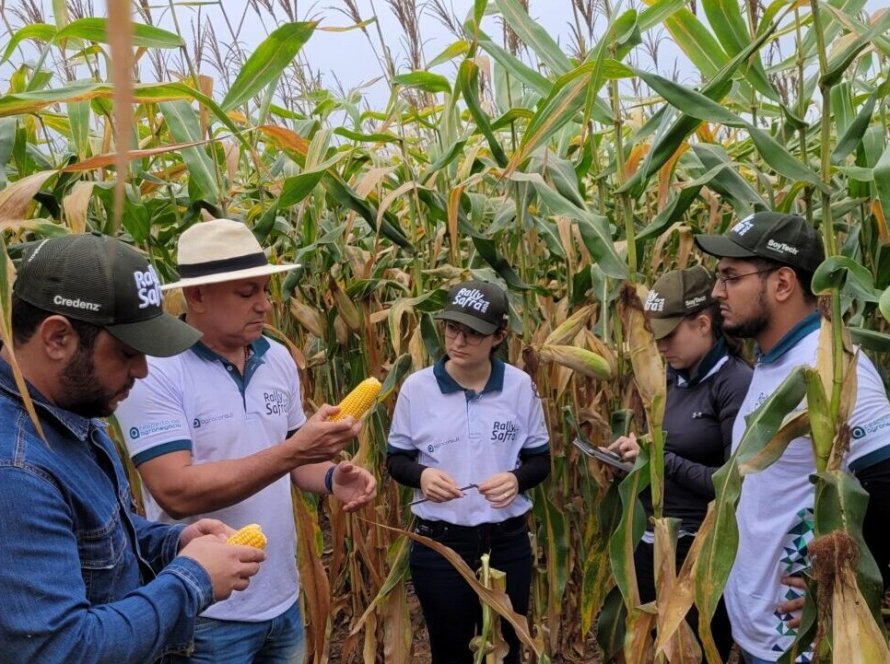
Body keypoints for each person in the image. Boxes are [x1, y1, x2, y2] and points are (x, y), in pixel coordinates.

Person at [114, 219, 377, 664]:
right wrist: (296, 451)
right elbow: (175, 492)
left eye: (264, 291)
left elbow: (293, 459)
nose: (264, 306)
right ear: (196, 296)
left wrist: (332, 476)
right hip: (206, 612)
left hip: (281, 599)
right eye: (246, 293)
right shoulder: (156, 370)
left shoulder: (275, 358)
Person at [0, 232, 265, 663]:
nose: (142, 371)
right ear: (57, 338)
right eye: (126, 353)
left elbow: (91, 536)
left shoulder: (69, 413)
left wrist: (172, 542)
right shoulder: (16, 472)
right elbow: (61, 650)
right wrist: (192, 580)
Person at [694, 211, 890, 663]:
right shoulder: (772, 362)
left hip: (799, 644)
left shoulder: (832, 368)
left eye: (730, 277)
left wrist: (844, 584)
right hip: (759, 632)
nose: (716, 292)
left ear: (782, 284)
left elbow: (884, 482)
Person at [386, 279, 551, 664]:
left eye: (473, 334)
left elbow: (540, 461)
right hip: (441, 544)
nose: (458, 341)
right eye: (452, 329)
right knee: (450, 651)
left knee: (507, 647)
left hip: (507, 541)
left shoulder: (519, 386)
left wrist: (516, 479)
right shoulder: (417, 388)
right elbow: (396, 459)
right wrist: (422, 476)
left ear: (498, 336)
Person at [607, 265, 751, 659]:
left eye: (669, 335)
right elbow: (661, 451)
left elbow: (733, 485)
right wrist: (633, 456)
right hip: (654, 544)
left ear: (704, 324)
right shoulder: (667, 379)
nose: (661, 347)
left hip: (698, 554)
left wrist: (659, 459)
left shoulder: (734, 384)